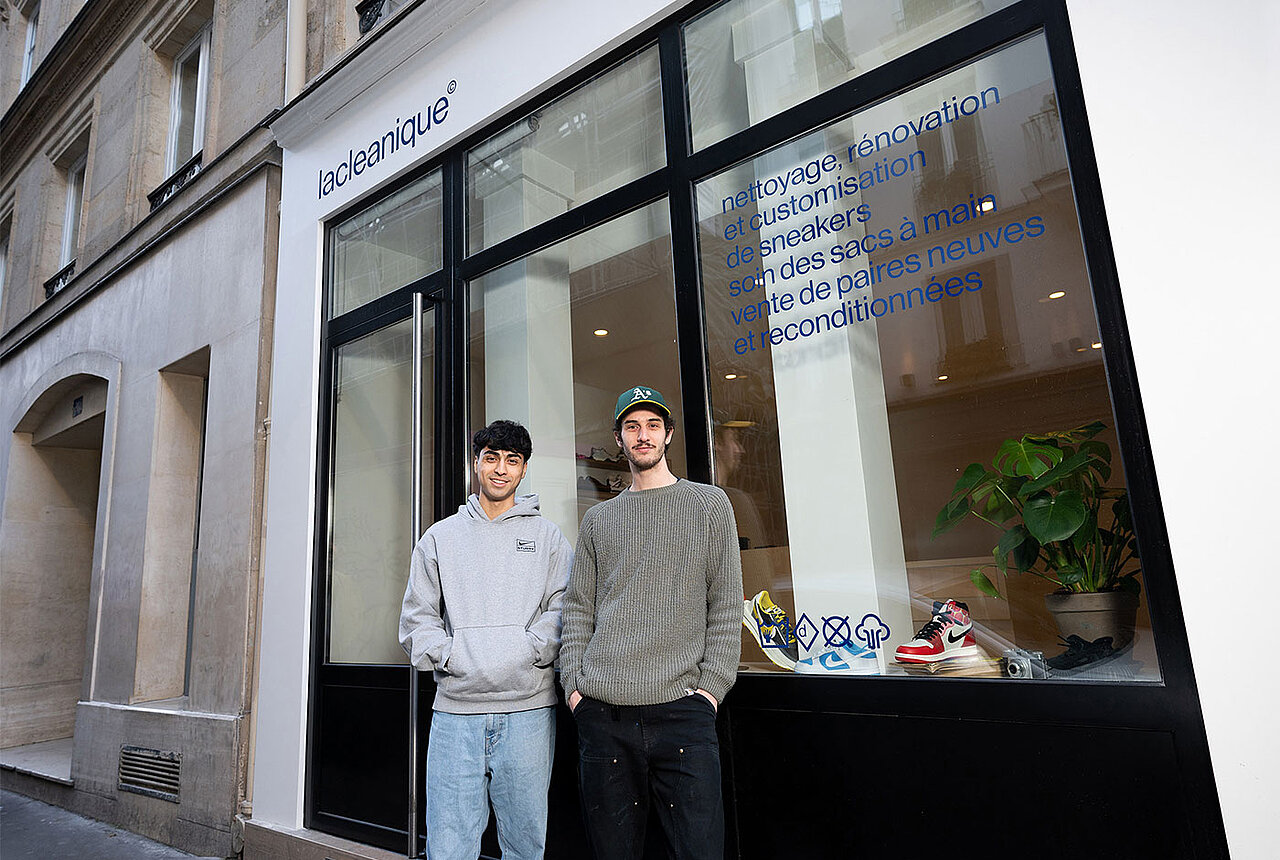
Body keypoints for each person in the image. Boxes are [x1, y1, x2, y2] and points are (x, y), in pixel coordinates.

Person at [560, 385, 743, 860]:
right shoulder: (599, 520)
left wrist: (710, 692)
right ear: (619, 440)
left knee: (701, 852)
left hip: (685, 712)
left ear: (669, 436)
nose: (643, 435)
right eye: (632, 427)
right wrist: (574, 688)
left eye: (652, 426)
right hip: (604, 714)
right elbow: (578, 607)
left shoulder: (710, 505)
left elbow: (725, 605)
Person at [399, 419, 571, 860]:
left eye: (511, 460)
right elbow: (417, 620)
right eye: (490, 458)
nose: (500, 469)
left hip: (529, 713)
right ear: (476, 464)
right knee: (450, 847)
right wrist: (452, 655)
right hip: (456, 716)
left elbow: (565, 608)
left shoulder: (547, 537)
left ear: (524, 469)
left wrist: (529, 650)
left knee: (525, 846)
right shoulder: (439, 537)